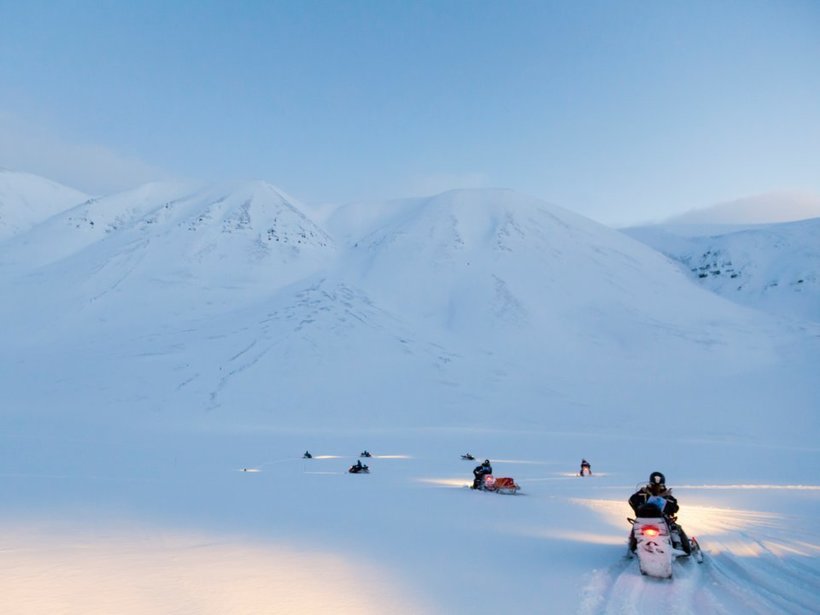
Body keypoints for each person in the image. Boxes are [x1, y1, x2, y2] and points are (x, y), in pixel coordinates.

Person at [628, 471, 691, 554]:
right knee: (636, 527)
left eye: (659, 486)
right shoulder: (642, 494)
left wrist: (670, 503)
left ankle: (679, 544)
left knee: (674, 527)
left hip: (657, 520)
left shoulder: (667, 497)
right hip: (645, 520)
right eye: (654, 485)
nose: (656, 487)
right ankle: (633, 545)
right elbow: (632, 501)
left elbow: (675, 508)